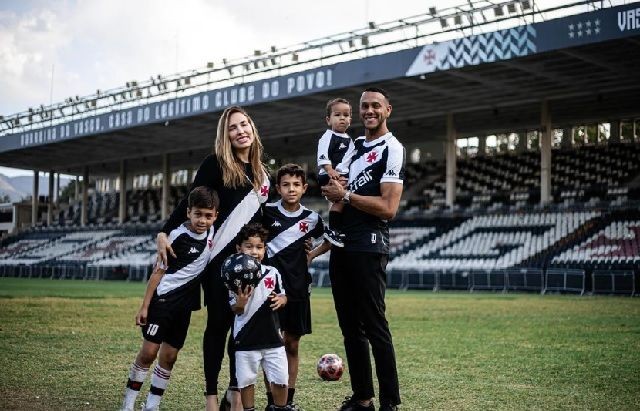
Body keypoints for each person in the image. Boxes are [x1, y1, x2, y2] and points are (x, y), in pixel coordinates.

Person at [156, 106, 270, 411]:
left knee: (241, 329)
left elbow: (263, 220)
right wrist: (164, 231)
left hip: (247, 265)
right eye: (233, 127)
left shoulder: (262, 174)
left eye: (245, 124)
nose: (241, 131)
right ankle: (209, 397)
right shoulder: (215, 164)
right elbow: (189, 202)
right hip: (218, 261)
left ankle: (233, 395)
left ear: (252, 128)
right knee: (218, 326)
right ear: (226, 134)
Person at [321, 87, 404, 411]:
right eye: (364, 107)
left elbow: (388, 207)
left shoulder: (392, 148)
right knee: (350, 329)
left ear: (387, 110)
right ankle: (363, 398)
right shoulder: (354, 146)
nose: (369, 111)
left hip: (369, 246)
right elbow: (335, 184)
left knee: (375, 326)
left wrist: (346, 196)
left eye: (375, 106)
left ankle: (390, 403)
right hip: (343, 245)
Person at [121, 186, 220, 411]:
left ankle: (152, 405)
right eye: (198, 214)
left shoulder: (212, 234)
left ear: (215, 216)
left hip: (184, 306)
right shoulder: (177, 236)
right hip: (163, 301)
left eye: (208, 215)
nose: (202, 220)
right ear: (188, 213)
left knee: (169, 356)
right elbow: (158, 271)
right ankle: (128, 403)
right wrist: (145, 306)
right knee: (148, 353)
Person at [262, 164, 330, 410]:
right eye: (286, 185)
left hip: (298, 289)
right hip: (268, 289)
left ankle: (288, 402)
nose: (291, 189)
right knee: (270, 346)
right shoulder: (266, 212)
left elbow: (333, 238)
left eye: (296, 185)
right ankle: (272, 401)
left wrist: (312, 254)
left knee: (291, 344)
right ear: (278, 188)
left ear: (304, 188)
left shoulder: (312, 218)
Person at [229, 223, 289, 411]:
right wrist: (239, 304)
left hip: (273, 339)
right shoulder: (233, 275)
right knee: (247, 381)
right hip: (246, 339)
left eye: (259, 247)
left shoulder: (273, 272)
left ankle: (280, 407)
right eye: (249, 246)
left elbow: (283, 295)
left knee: (280, 380)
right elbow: (235, 309)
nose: (254, 252)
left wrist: (282, 299)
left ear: (265, 249)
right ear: (239, 249)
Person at [316, 98, 355, 248]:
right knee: (339, 200)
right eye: (337, 115)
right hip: (329, 174)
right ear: (328, 120)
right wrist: (330, 169)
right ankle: (332, 230)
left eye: (346, 115)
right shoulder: (327, 136)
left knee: (342, 202)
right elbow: (323, 155)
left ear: (350, 119)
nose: (342, 118)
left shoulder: (350, 140)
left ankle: (336, 230)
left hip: (341, 175)